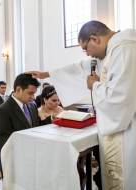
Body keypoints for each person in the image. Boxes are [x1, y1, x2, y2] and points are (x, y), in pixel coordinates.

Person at [26, 20, 136, 189]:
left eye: (85, 48)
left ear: (94, 39)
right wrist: (47, 74)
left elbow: (121, 98)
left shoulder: (124, 49)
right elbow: (77, 69)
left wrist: (95, 86)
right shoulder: (109, 53)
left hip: (129, 130)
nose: (87, 54)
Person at [0, 74, 41, 177]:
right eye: (30, 93)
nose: (33, 97)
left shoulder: (32, 106)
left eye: (34, 93)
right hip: (15, 164)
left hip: (33, 160)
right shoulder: (3, 111)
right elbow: (4, 144)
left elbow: (35, 127)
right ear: (19, 89)